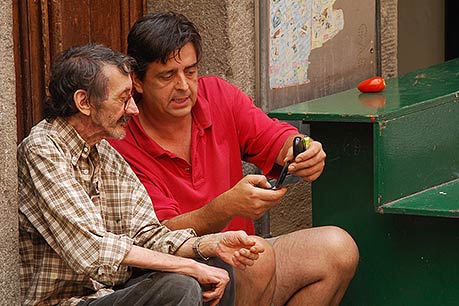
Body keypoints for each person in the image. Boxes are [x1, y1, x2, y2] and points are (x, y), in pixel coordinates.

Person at [109, 12, 359, 306]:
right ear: (137, 81)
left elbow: (276, 137)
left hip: (246, 261)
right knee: (257, 260)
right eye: (167, 76)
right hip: (178, 277)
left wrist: (303, 149)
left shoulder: (216, 94)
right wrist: (224, 207)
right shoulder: (122, 139)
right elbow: (156, 236)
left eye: (190, 71)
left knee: (338, 249)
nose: (183, 86)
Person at [17, 43, 271, 306]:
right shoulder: (43, 149)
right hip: (64, 301)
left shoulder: (105, 154)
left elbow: (148, 234)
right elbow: (92, 248)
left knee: (213, 268)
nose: (133, 109)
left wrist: (210, 244)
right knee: (181, 284)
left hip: (109, 292)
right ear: (84, 102)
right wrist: (189, 267)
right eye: (123, 99)